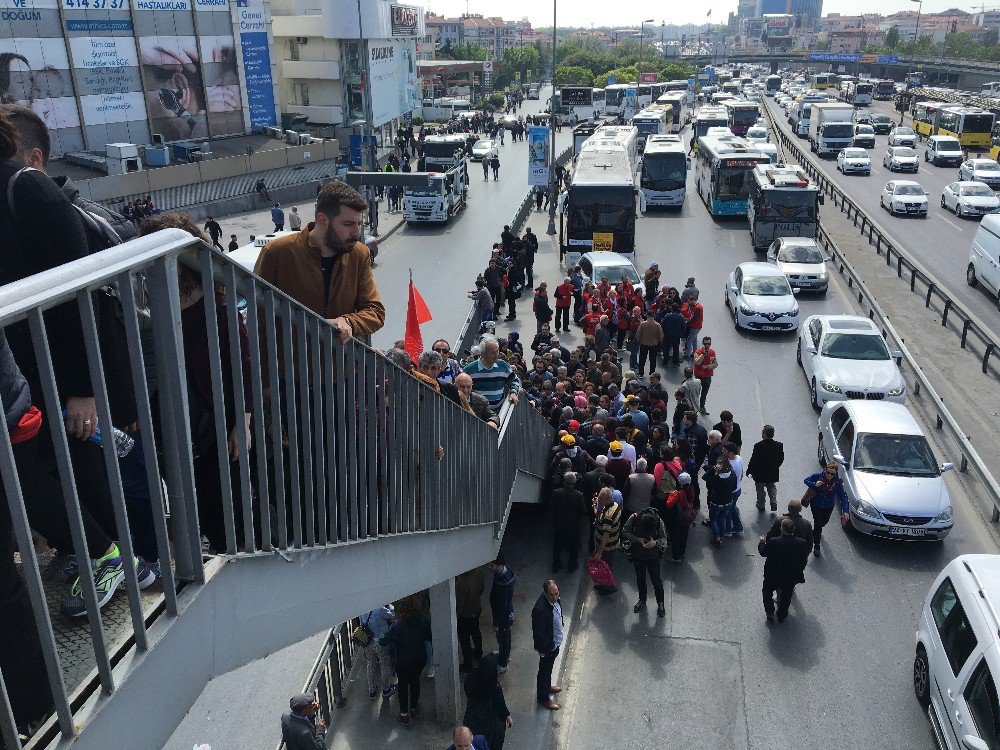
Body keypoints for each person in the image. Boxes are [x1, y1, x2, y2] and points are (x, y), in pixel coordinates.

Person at [1, 104, 153, 618]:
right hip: (29, 365)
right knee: (61, 464)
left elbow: (80, 288)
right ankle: (100, 551)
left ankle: (117, 558)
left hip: (59, 367)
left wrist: (84, 386)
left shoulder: (28, 188)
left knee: (71, 465)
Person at [254, 180, 385, 344]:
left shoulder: (359, 254)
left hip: (342, 366)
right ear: (323, 220)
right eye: (349, 224)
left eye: (359, 223)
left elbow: (375, 312)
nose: (357, 233)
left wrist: (348, 322)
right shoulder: (276, 253)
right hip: (292, 366)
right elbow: (258, 320)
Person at [380, 595, 432, 725]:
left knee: (403, 686)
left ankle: (404, 715)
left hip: (402, 661)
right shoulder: (423, 620)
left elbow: (382, 641)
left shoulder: (397, 624)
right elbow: (429, 637)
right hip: (419, 658)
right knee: (415, 683)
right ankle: (414, 708)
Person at [758, 518, 811, 624]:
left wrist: (762, 542)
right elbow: (803, 560)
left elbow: (763, 552)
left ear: (782, 529)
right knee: (787, 595)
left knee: (767, 591)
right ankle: (782, 615)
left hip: (773, 574)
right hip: (790, 576)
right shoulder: (802, 543)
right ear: (793, 529)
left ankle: (770, 612)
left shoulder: (774, 541)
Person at [622, 507, 667, 616]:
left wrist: (655, 543)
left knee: (657, 581)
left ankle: (660, 603)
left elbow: (664, 539)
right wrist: (637, 539)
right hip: (638, 555)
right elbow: (625, 532)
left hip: (653, 557)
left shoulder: (658, 521)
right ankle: (642, 599)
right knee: (640, 579)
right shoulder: (634, 519)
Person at [463, 653, 513, 750]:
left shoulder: (471, 677)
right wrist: (507, 715)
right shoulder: (493, 686)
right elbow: (500, 706)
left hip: (471, 720)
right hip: (490, 726)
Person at [803, 462, 850, 556]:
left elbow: (842, 497)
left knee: (824, 522)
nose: (829, 475)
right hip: (816, 504)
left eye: (832, 474)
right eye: (828, 472)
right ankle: (816, 546)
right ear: (825, 470)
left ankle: (815, 531)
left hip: (828, 506)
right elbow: (806, 480)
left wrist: (845, 511)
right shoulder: (818, 476)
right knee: (818, 523)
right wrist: (815, 484)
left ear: (836, 473)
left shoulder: (837, 482)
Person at [531, 580, 564, 711]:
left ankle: (548, 686)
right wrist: (549, 646)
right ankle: (543, 697)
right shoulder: (540, 610)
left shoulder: (555, 600)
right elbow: (539, 633)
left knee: (549, 668)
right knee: (544, 671)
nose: (555, 597)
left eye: (556, 593)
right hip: (548, 646)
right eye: (551, 595)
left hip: (555, 642)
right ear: (545, 593)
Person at [463, 336, 521, 408]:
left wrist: (513, 393)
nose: (497, 355)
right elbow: (462, 390)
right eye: (493, 353)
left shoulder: (502, 365)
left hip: (499, 412)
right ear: (483, 354)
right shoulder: (469, 370)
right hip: (478, 414)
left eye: (497, 351)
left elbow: (514, 380)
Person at [551, 471, 586, 573]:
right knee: (574, 546)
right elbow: (582, 511)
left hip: (559, 523)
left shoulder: (556, 492)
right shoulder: (579, 495)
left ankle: (556, 565)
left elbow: (552, 508)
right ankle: (572, 565)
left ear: (564, 481)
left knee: (557, 545)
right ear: (574, 482)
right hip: (573, 524)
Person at [362, 604, 397, 701]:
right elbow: (393, 616)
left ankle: (372, 691)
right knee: (384, 664)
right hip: (380, 642)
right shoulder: (380, 609)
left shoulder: (362, 609)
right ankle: (386, 689)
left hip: (368, 642)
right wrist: (390, 607)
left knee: (370, 664)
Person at [488, 555, 517, 673]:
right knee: (506, 635)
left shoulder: (502, 583)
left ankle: (503, 663)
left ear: (500, 566)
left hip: (503, 616)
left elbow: (501, 606)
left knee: (503, 637)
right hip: (507, 612)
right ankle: (504, 654)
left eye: (492, 565)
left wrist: (496, 622)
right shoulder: (506, 573)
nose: (489, 567)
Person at [747, 425, 784, 512]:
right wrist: (775, 466)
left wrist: (749, 471)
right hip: (772, 472)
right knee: (771, 486)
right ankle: (773, 501)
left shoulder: (758, 446)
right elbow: (781, 458)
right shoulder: (779, 445)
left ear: (764, 433)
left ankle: (761, 504)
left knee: (760, 488)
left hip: (760, 473)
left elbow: (753, 460)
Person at [456, 567, 486, 673]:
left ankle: (468, 664)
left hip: (465, 614)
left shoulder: (461, 583)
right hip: (477, 608)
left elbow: (459, 604)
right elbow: (482, 588)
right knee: (476, 632)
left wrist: (456, 616)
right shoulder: (479, 571)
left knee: (465, 640)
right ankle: (478, 654)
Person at [592, 487, 621, 592]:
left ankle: (608, 587)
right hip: (613, 542)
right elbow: (599, 517)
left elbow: (605, 535)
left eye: (600, 498)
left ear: (607, 499)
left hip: (607, 547)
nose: (598, 499)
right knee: (606, 565)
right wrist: (595, 506)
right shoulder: (614, 506)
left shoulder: (608, 515)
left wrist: (600, 552)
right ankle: (604, 584)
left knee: (606, 566)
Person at [664, 472, 695, 562]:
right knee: (684, 535)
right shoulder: (691, 490)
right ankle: (682, 553)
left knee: (675, 536)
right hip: (687, 517)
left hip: (677, 518)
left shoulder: (677, 494)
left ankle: (676, 557)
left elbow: (668, 504)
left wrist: (671, 494)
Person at [693, 336, 717, 415]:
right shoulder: (698, 352)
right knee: (696, 393)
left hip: (707, 377)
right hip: (699, 377)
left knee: (704, 394)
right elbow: (697, 362)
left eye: (709, 344)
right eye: (705, 343)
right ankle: (694, 408)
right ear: (703, 343)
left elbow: (715, 364)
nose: (707, 345)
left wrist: (707, 366)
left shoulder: (712, 352)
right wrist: (703, 354)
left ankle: (702, 407)